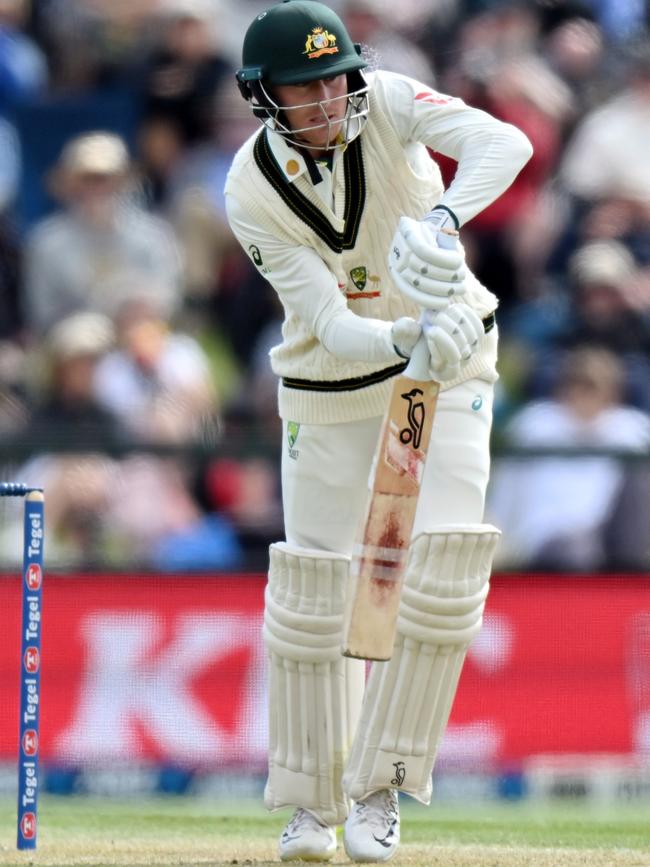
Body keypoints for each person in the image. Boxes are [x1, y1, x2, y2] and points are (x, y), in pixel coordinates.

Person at [225, 1, 532, 862]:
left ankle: (383, 788)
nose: (328, 100)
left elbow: (505, 144)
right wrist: (403, 335)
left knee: (440, 573)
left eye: (334, 79)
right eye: (305, 87)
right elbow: (324, 319)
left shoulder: (391, 99)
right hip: (331, 381)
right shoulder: (251, 190)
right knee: (316, 595)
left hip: (453, 359)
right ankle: (310, 807)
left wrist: (441, 225)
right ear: (265, 97)